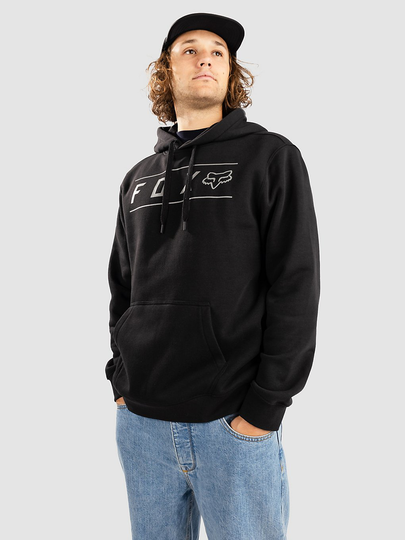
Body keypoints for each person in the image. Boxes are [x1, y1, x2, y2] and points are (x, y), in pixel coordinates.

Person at [105, 12, 320, 540]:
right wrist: (121, 379)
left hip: (232, 422)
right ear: (166, 70)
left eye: (218, 52)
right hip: (142, 423)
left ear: (230, 72)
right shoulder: (138, 178)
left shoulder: (271, 157)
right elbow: (122, 286)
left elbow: (296, 283)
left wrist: (264, 408)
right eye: (190, 49)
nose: (205, 59)